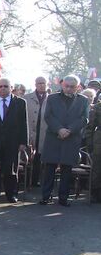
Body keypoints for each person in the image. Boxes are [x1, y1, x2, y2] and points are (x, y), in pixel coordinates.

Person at [40, 74, 90, 206]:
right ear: (62, 85)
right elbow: (48, 116)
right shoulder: (52, 98)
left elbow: (84, 119)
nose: (68, 89)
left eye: (72, 87)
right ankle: (46, 196)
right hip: (54, 137)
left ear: (78, 87)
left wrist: (69, 130)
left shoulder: (84, 100)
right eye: (66, 86)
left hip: (71, 138)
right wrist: (59, 129)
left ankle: (63, 198)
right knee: (49, 168)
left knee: (67, 170)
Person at [25, 76, 50, 186]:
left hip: (44, 133)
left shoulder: (51, 99)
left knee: (40, 159)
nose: (41, 85)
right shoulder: (26, 98)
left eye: (43, 83)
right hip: (30, 131)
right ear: (35, 84)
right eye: (39, 83)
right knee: (29, 157)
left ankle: (36, 180)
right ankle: (25, 181)